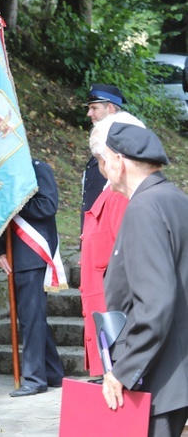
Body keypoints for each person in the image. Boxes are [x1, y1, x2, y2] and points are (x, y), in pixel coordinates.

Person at [100, 123, 188, 436]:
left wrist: (123, 370)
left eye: (105, 160)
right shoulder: (175, 198)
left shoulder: (144, 207)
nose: (104, 169)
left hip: (158, 377)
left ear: (119, 162)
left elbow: (156, 302)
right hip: (175, 373)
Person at [79, 112, 143, 377]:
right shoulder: (111, 192)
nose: (100, 166)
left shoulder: (121, 198)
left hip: (120, 327)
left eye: (101, 159)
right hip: (109, 322)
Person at [0, 158, 65, 397]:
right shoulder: (6, 171)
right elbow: (1, 214)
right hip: (16, 253)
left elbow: (48, 205)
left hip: (34, 253)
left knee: (31, 318)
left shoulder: (38, 168)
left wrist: (16, 201)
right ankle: (54, 373)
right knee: (30, 317)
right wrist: (1, 250)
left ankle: (35, 379)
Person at [81, 84, 124, 231]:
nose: (89, 113)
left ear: (110, 108)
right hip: (95, 228)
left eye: (94, 108)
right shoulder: (104, 141)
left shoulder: (122, 144)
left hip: (109, 230)